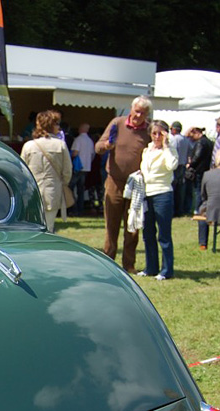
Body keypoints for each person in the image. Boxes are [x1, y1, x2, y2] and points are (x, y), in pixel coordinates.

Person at [95, 96, 152, 273]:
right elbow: (98, 147)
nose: (138, 115)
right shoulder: (117, 123)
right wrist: (106, 145)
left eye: (142, 113)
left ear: (147, 114)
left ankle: (129, 264)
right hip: (114, 181)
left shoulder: (149, 130)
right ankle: (108, 262)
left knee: (132, 225)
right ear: (131, 109)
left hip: (136, 184)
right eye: (136, 111)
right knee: (111, 224)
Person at [137, 120, 178, 279]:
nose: (156, 137)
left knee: (164, 234)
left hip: (163, 193)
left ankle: (167, 270)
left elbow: (172, 165)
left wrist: (167, 146)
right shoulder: (147, 150)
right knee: (147, 232)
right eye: (154, 133)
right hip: (147, 193)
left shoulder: (169, 150)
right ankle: (151, 267)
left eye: (160, 133)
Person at [20, 110, 72, 233]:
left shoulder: (29, 146)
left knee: (32, 228)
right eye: (57, 123)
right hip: (53, 190)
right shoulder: (60, 145)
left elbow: (21, 172)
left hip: (32, 192)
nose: (59, 127)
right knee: (49, 227)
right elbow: (67, 171)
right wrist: (62, 183)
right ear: (51, 125)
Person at [185, 127, 214, 213]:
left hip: (198, 170)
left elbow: (197, 156)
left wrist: (190, 164)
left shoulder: (200, 142)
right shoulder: (209, 142)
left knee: (198, 190)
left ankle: (197, 209)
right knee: (203, 190)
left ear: (196, 133)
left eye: (192, 136)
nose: (192, 139)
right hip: (206, 169)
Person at [69, 122, 94, 214]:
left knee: (70, 187)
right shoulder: (90, 141)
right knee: (81, 189)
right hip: (86, 167)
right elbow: (92, 154)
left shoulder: (78, 140)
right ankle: (81, 208)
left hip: (78, 167)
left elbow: (75, 152)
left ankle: (73, 208)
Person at [170, 122, 192, 216]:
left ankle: (174, 210)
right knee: (181, 189)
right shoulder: (186, 140)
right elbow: (190, 152)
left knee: (173, 188)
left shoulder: (175, 139)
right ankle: (181, 209)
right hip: (183, 165)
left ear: (174, 129)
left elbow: (172, 152)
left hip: (175, 166)